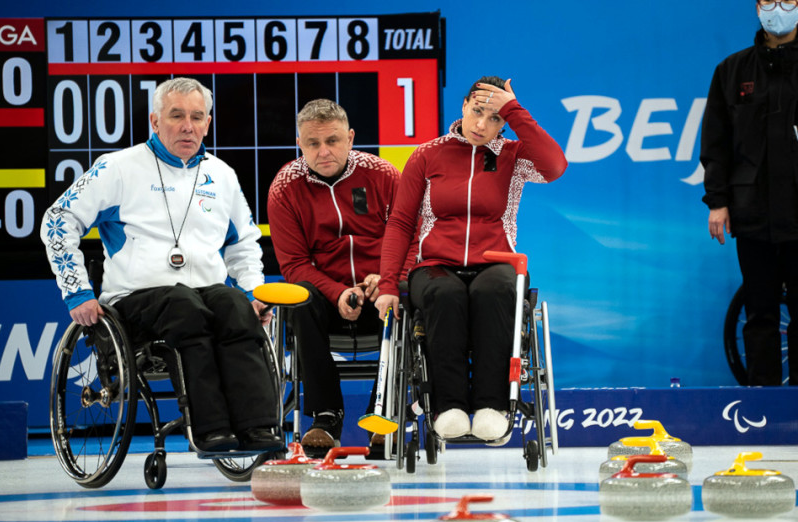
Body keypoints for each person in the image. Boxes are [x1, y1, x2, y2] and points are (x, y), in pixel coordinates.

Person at [41, 77, 281, 452]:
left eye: (197, 116)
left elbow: (245, 243)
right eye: (176, 115)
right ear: (155, 121)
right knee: (185, 308)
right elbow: (57, 221)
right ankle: (209, 429)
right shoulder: (117, 168)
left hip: (206, 294)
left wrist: (252, 290)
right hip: (137, 299)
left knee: (235, 308)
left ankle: (259, 427)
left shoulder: (222, 175)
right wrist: (77, 292)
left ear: (208, 123)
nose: (188, 125)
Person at [375, 76, 567, 443]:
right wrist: (387, 284)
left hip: (495, 262)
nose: (482, 125)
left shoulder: (512, 155)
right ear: (463, 105)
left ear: (504, 122)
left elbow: (555, 166)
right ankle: (449, 407)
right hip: (435, 266)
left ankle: (492, 407)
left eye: (495, 118)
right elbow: (400, 222)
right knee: (445, 296)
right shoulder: (427, 154)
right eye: (477, 112)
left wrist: (514, 109)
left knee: (494, 292)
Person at [268, 98, 408, 455]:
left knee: (402, 294)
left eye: (332, 141)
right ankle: (326, 416)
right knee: (297, 295)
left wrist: (386, 277)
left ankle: (382, 413)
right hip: (325, 298)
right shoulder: (285, 187)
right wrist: (337, 292)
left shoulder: (383, 174)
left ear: (350, 138)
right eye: (313, 143)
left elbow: (409, 239)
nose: (323, 151)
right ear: (300, 143)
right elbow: (294, 264)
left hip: (379, 290)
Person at [701, 0, 798, 386]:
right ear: (757, 7)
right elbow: (716, 143)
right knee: (760, 311)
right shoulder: (732, 70)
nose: (779, 9)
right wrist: (718, 202)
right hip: (751, 212)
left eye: (788, 1)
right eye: (769, 1)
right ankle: (765, 407)